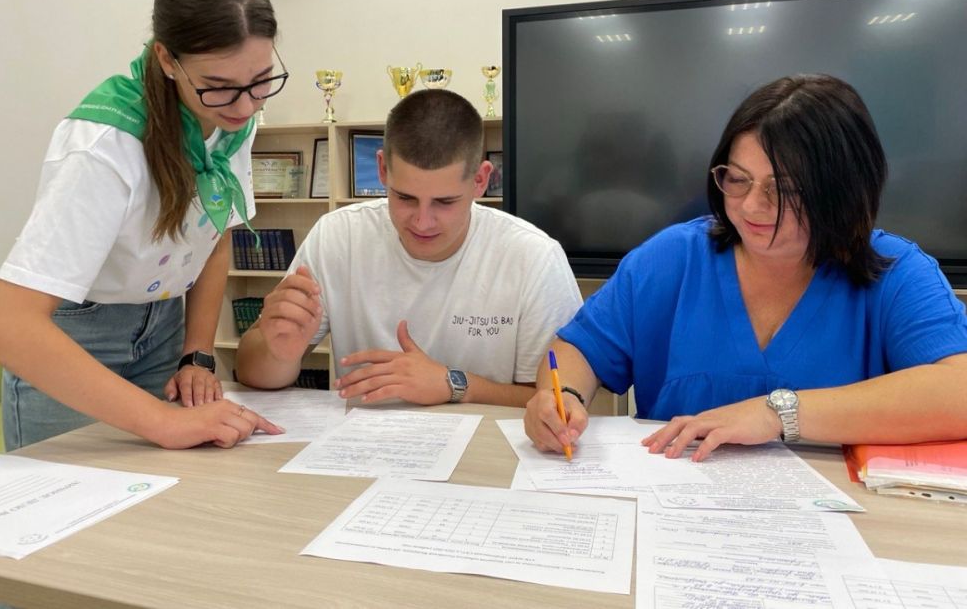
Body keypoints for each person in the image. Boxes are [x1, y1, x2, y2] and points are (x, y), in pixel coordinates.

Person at [524, 74, 967, 460]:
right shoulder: (673, 258)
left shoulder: (896, 272)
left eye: (785, 188)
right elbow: (576, 349)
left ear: (845, 190)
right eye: (737, 179)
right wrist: (561, 397)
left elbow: (958, 391)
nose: (752, 206)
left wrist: (777, 412)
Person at [0, 0, 283, 450]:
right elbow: (6, 327)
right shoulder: (105, 144)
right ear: (168, 60)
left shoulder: (234, 120)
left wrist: (197, 354)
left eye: (260, 81)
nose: (246, 106)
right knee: (73, 513)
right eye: (218, 88)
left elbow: (216, 235)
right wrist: (164, 423)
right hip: (76, 341)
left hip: (164, 327)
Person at [236, 88, 582, 406]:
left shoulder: (533, 257)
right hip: (361, 453)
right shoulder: (338, 236)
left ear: (481, 180)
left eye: (445, 202)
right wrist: (279, 353)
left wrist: (452, 384)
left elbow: (555, 402)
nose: (422, 221)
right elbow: (253, 374)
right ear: (383, 169)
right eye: (404, 198)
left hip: (487, 461)